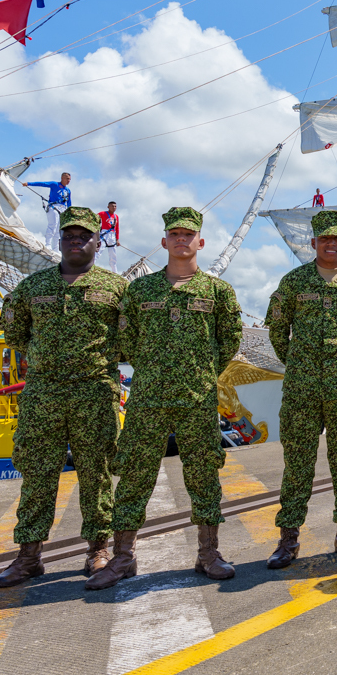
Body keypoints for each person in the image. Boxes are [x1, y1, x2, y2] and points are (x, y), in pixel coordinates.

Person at [87, 207, 244, 589]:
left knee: (204, 475)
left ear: (200, 241)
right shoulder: (140, 290)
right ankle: (123, 558)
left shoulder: (217, 292)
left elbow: (229, 341)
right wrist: (155, 368)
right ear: (163, 241)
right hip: (147, 398)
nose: (181, 240)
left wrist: (199, 370)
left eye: (188, 234)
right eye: (174, 234)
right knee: (135, 476)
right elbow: (126, 338)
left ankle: (208, 553)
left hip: (197, 397)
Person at [0, 207, 127, 589]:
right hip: (43, 393)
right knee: (37, 473)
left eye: (83, 235)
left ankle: (99, 549)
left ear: (97, 243)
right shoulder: (32, 288)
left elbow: (129, 337)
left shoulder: (116, 289)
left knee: (96, 472)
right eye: (69, 235)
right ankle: (28, 556)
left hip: (94, 391)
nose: (75, 240)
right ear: (59, 241)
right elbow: (15, 333)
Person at [265, 211, 337, 569]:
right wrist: (301, 363)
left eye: (336, 238)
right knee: (297, 464)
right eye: (323, 239)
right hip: (302, 389)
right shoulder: (294, 281)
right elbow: (279, 333)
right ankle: (288, 538)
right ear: (313, 243)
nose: (330, 244)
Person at [22, 172, 73, 250]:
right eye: (67, 179)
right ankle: (48, 244)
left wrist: (70, 213)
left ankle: (55, 248)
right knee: (53, 225)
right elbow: (42, 184)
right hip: (54, 207)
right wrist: (29, 183)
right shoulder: (54, 184)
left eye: (69, 179)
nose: (69, 181)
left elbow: (69, 203)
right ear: (62, 178)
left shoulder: (68, 190)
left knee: (59, 229)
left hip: (63, 209)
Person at [97, 202, 120, 272]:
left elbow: (117, 228)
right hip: (105, 234)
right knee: (98, 250)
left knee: (113, 254)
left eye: (115, 206)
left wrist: (117, 239)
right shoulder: (102, 213)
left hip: (112, 235)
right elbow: (94, 218)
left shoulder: (116, 216)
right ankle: (89, 267)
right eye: (112, 206)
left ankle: (114, 271)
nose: (114, 208)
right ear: (108, 207)